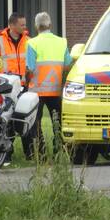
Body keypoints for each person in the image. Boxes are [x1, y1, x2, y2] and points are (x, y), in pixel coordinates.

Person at [26, 12, 71, 157]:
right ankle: (59, 150)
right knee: (58, 123)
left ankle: (41, 153)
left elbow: (30, 68)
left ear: (36, 26)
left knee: (36, 124)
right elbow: (68, 64)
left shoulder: (32, 43)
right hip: (56, 90)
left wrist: (27, 83)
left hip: (36, 91)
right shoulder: (62, 41)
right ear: (50, 25)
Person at [0, 12, 33, 156]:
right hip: (7, 88)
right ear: (11, 25)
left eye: (24, 24)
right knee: (6, 120)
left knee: (26, 119)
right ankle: (7, 152)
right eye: (21, 24)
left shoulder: (29, 41)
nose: (25, 26)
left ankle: (30, 153)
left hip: (24, 86)